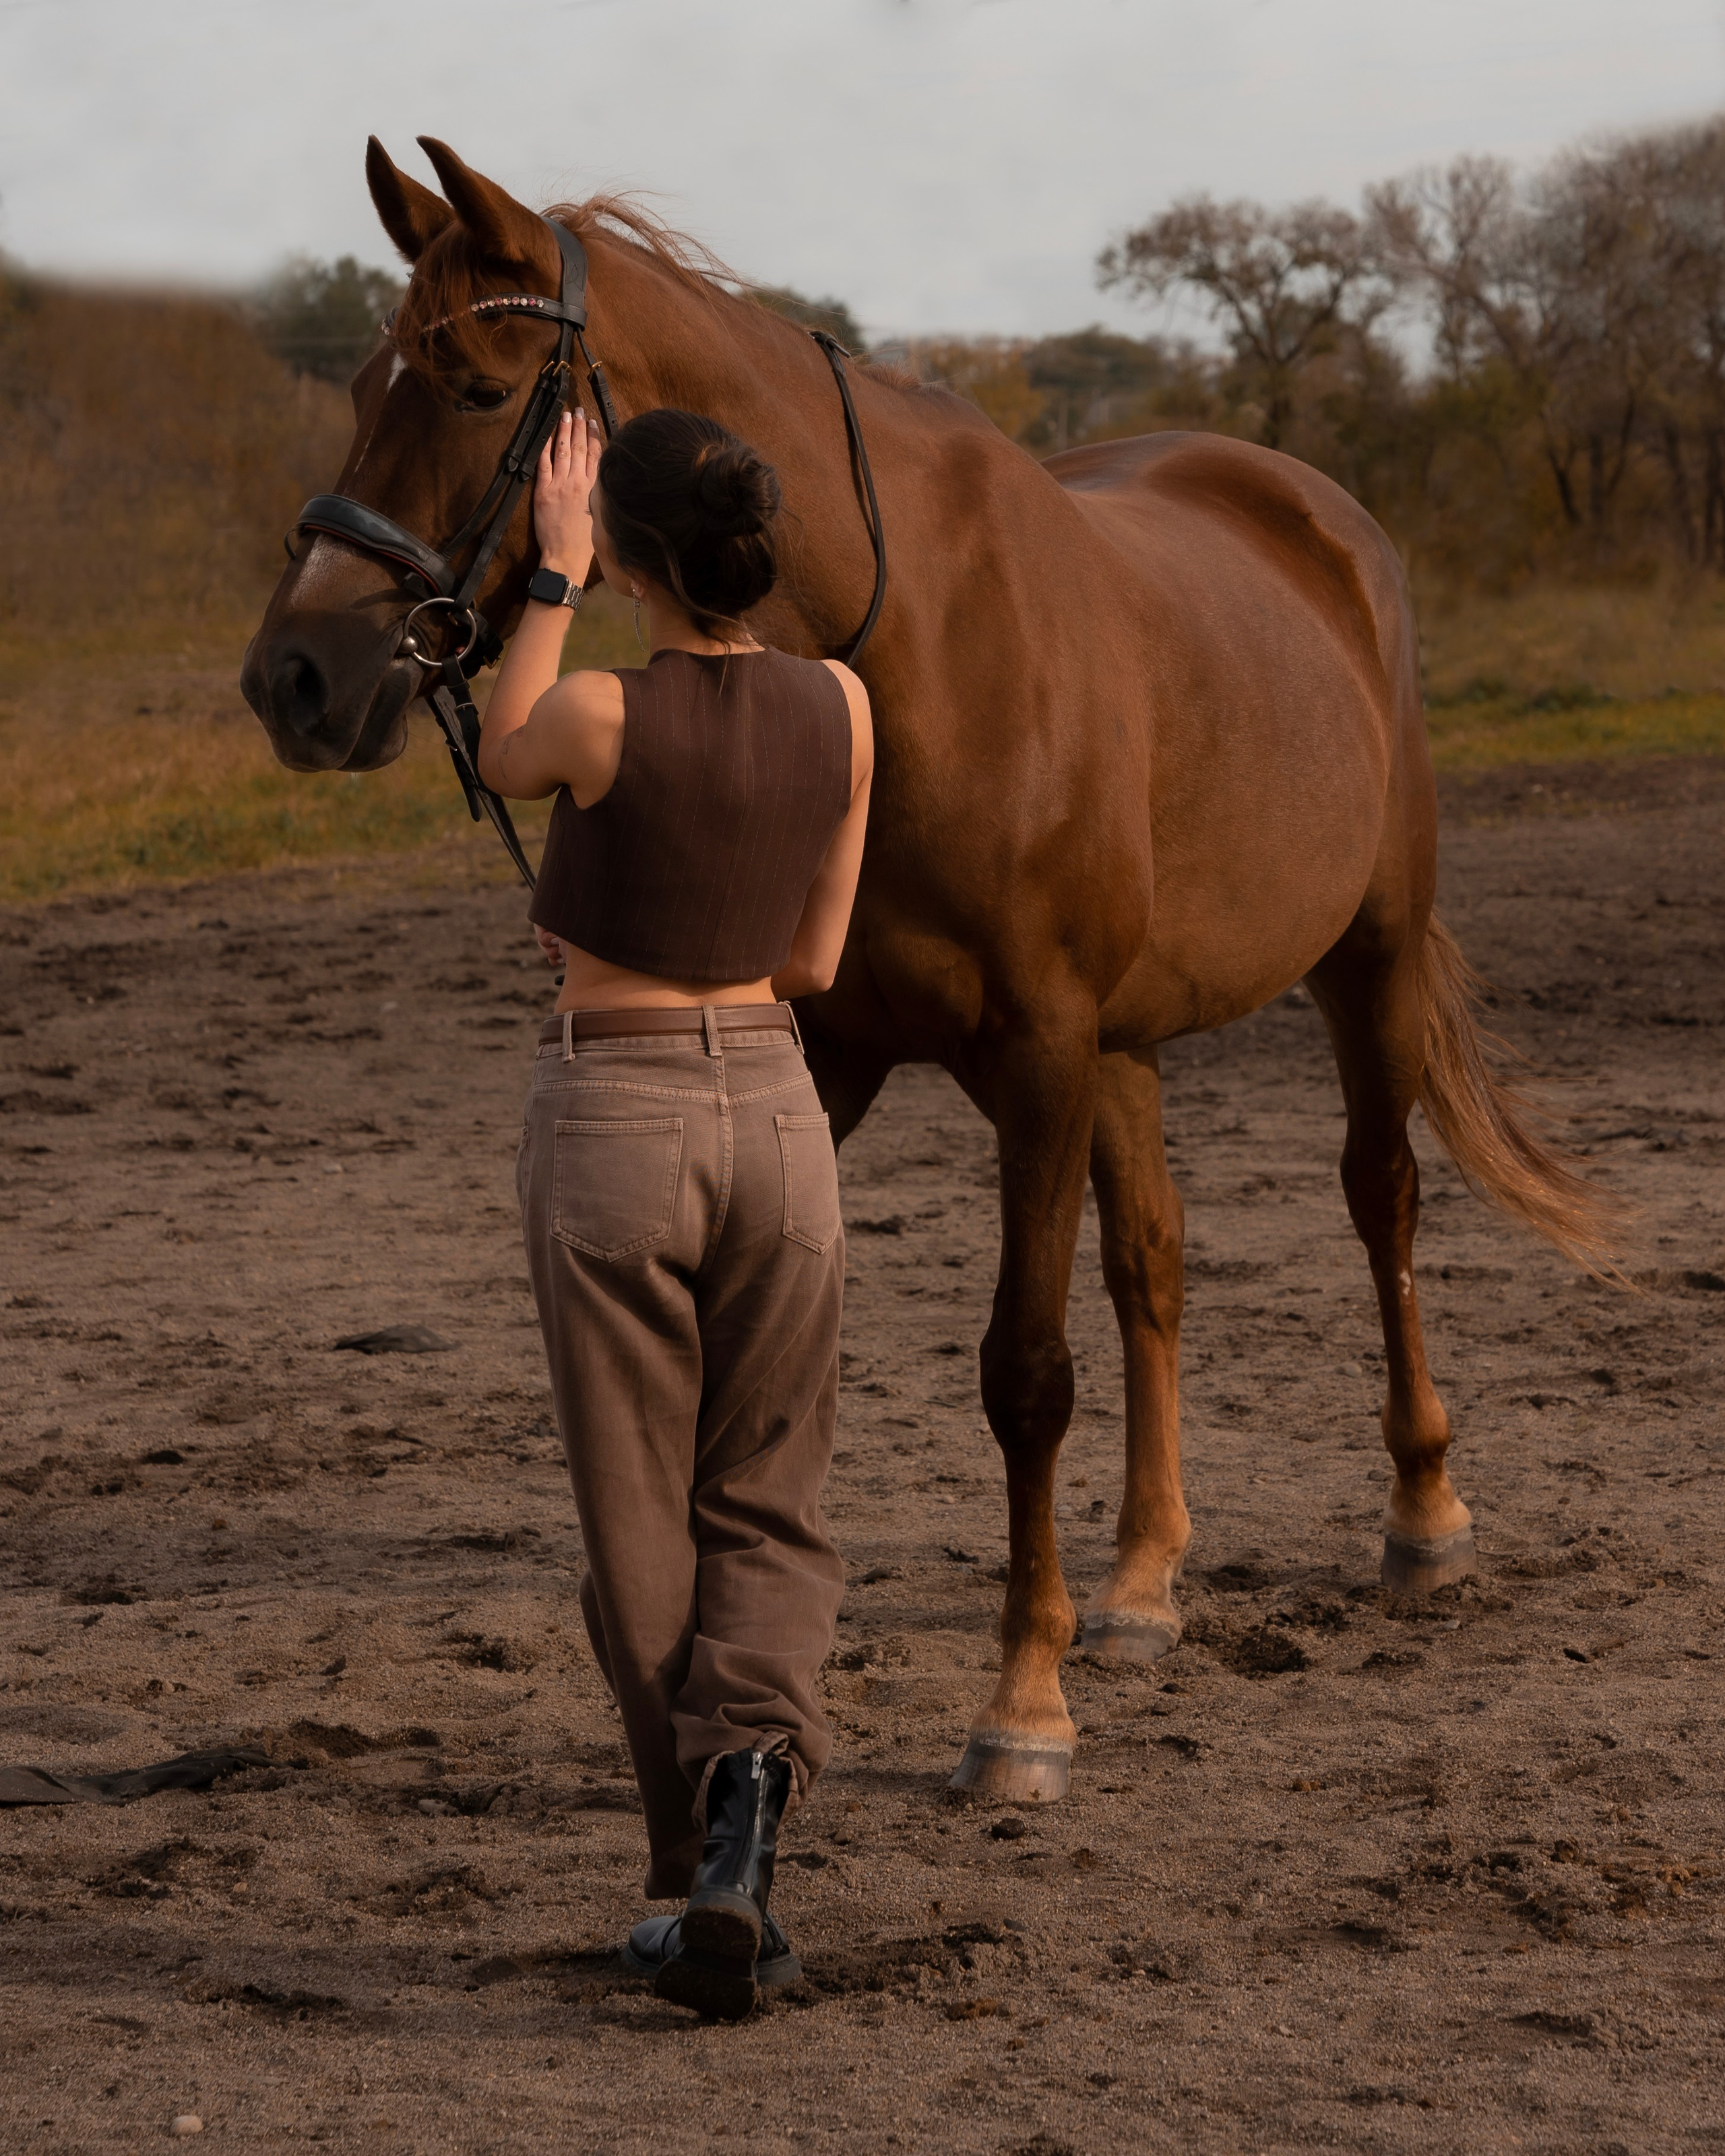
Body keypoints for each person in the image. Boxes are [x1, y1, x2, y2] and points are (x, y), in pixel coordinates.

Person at [475, 403, 873, 2020]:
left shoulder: (589, 710)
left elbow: (502, 754)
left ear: (631, 554)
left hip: (616, 1114)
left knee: (637, 1513)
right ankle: (755, 1813)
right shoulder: (844, 705)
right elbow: (818, 965)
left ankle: (690, 1866)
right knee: (770, 1498)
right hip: (779, 1116)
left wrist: (549, 574)